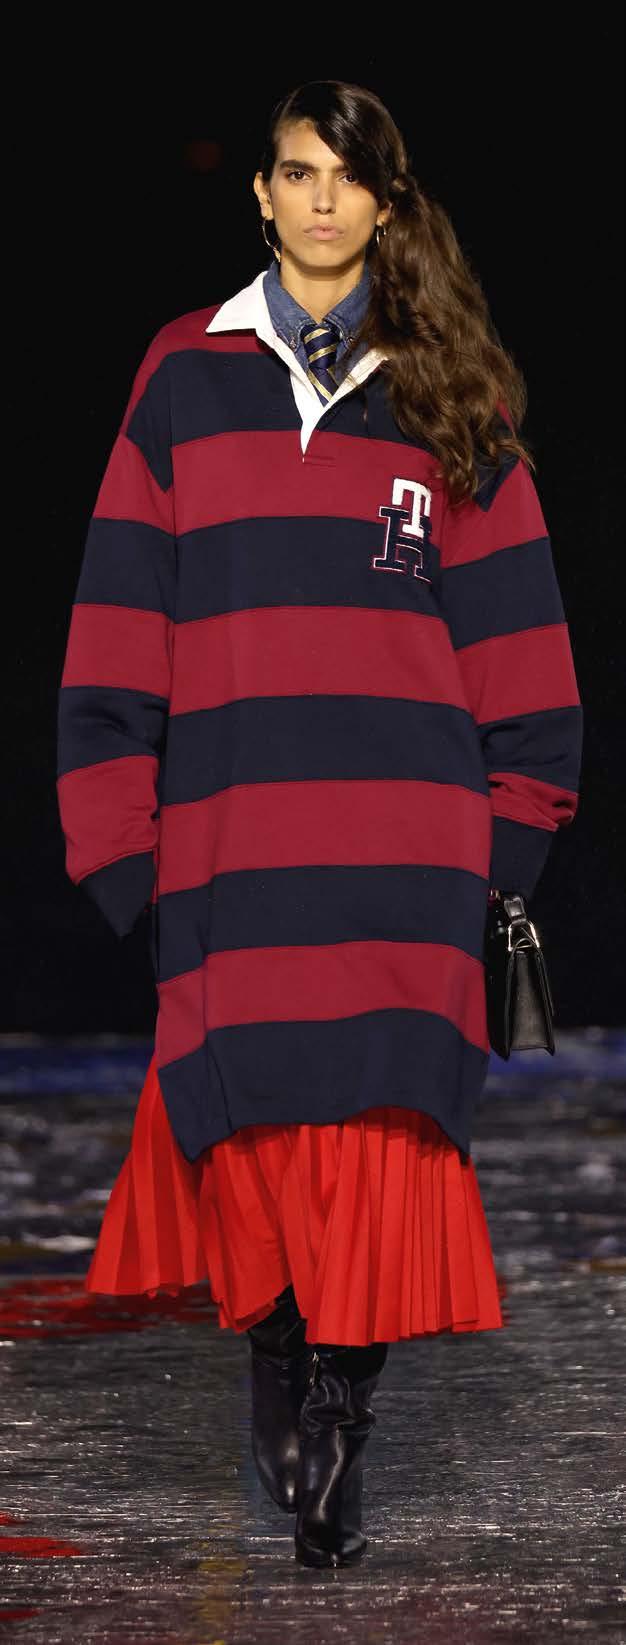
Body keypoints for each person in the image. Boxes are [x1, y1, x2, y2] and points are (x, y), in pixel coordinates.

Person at [55, 79, 583, 1568]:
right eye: (297, 173)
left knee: (376, 1132)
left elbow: (521, 648)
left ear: (386, 200)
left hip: (410, 848)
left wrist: (509, 841)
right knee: (258, 1129)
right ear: (262, 194)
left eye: (349, 176)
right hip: (230, 842)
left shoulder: (449, 386)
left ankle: (342, 1408)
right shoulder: (184, 374)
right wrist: (122, 843)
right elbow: (118, 621)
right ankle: (283, 1360)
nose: (323, 199)